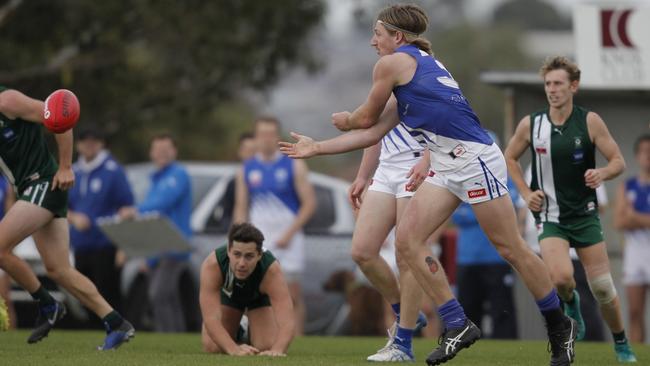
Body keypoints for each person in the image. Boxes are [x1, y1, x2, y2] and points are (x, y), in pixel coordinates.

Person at [279, 5, 577, 365]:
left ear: (398, 37)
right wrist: (318, 147)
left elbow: (364, 119)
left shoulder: (393, 64)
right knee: (407, 241)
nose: (373, 41)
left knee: (510, 247)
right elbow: (374, 132)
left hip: (473, 158)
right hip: (445, 162)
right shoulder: (411, 67)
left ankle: (559, 326)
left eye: (378, 34)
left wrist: (346, 120)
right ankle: (456, 322)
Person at [504, 56, 636, 363]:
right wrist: (525, 192)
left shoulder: (589, 121)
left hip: (585, 215)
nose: (552, 89)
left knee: (603, 288)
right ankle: (570, 303)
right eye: (548, 84)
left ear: (573, 86)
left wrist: (602, 173)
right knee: (562, 279)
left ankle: (621, 342)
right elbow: (509, 158)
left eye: (558, 84)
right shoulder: (531, 124)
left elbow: (618, 161)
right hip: (550, 215)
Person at [0, 86, 134, 348]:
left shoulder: (8, 101)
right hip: (32, 190)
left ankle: (47, 304)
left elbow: (60, 117)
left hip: (43, 183)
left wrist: (65, 167)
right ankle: (117, 323)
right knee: (59, 269)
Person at [346, 128, 431, 361]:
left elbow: (443, 122)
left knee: (405, 254)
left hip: (416, 165)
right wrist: (363, 175)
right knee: (362, 251)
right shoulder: (381, 91)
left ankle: (403, 345)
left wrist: (428, 159)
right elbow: (373, 130)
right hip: (385, 169)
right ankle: (404, 312)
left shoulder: (427, 89)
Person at [233, 117, 316, 335]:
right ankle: (262, 335)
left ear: (277, 137)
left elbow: (309, 204)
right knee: (257, 292)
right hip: (259, 241)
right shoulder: (247, 168)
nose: (266, 139)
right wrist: (239, 237)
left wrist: (289, 233)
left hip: (289, 240)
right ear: (256, 137)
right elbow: (241, 206)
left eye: (271, 134)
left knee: (292, 294)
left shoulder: (294, 164)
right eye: (262, 134)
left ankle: (297, 338)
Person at [119, 133, 194, 332]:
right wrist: (149, 255)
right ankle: (176, 337)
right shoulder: (155, 179)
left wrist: (135, 211)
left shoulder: (178, 174)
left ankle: (169, 335)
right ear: (151, 153)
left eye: (166, 150)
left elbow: (162, 203)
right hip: (159, 247)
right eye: (158, 150)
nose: (162, 154)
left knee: (158, 294)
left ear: (175, 151)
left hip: (175, 245)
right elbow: (152, 221)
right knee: (168, 297)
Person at [451, 132, 519, 340]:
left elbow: (509, 208)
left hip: (497, 257)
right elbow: (455, 214)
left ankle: (508, 357)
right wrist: (484, 207)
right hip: (467, 258)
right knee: (469, 314)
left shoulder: (504, 177)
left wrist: (472, 206)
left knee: (503, 313)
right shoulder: (460, 177)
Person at [200, 222, 294, 356]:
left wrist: (277, 350)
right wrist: (233, 349)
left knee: (266, 345)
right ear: (228, 251)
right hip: (230, 295)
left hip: (258, 298)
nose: (242, 263)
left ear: (259, 255)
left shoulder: (271, 270)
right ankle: (241, 329)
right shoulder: (213, 265)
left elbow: (287, 321)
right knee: (212, 346)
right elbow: (210, 319)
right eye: (237, 254)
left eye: (249, 256)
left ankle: (252, 330)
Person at [68, 128, 134, 314]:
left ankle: (116, 332)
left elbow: (127, 208)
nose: (89, 145)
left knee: (107, 294)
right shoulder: (73, 171)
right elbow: (62, 207)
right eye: (85, 141)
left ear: (101, 144)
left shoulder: (113, 171)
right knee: (84, 296)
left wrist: (123, 246)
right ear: (78, 145)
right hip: (81, 244)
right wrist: (74, 218)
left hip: (106, 244)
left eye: (93, 141)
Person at [614, 134, 650, 344]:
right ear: (637, 156)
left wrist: (634, 216)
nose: (648, 157)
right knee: (635, 312)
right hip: (635, 254)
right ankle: (640, 354)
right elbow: (619, 222)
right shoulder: (627, 186)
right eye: (645, 152)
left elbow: (627, 217)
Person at [0, 175, 16, 329]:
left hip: (0, 243)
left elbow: (10, 213)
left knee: (4, 299)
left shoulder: (5, 183)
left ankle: (11, 338)